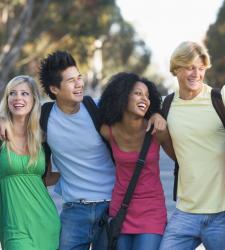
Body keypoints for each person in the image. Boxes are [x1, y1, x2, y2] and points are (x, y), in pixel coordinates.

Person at [0, 51, 167, 250]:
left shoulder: (97, 109)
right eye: (71, 80)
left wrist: (156, 112)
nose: (79, 84)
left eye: (79, 77)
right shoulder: (43, 117)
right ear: (54, 88)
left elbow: (134, 108)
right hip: (73, 211)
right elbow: (19, 113)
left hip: (109, 208)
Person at [159, 41, 225, 250]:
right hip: (185, 212)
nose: (196, 73)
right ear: (176, 69)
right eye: (190, 67)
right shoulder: (167, 106)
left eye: (201, 68)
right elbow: (175, 151)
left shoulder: (219, 99)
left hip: (222, 214)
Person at [98, 72, 173, 250]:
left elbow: (180, 158)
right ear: (122, 97)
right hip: (121, 210)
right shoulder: (107, 131)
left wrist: (157, 114)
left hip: (151, 211)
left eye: (147, 96)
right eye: (138, 93)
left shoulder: (157, 130)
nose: (144, 99)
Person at [0, 76, 60, 250]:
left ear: (34, 99)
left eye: (24, 93)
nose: (18, 98)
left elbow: (48, 178)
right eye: (13, 93)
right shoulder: (1, 135)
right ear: (7, 99)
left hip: (46, 223)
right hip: (14, 227)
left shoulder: (42, 138)